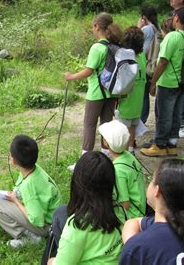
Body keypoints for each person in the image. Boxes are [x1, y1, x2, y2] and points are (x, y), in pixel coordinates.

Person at [120, 159, 184, 264]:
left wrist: (134, 247)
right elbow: (133, 222)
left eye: (151, 181)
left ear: (157, 191)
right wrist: (132, 243)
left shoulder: (139, 247)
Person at [0, 135, 61, 249]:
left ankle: (28, 237)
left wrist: (17, 202)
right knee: (4, 203)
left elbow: (37, 220)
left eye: (10, 154)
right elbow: (17, 190)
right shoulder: (33, 169)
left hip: (47, 226)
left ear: (14, 160)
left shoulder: (29, 185)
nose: (9, 156)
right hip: (53, 219)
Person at [64, 12, 122, 168]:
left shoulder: (97, 47)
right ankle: (106, 156)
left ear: (97, 26)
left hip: (96, 93)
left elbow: (89, 71)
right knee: (106, 124)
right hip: (111, 93)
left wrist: (71, 77)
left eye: (93, 26)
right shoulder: (114, 46)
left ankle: (85, 161)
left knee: (89, 125)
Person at [47, 152, 124, 265]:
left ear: (77, 183)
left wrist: (52, 261)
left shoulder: (77, 226)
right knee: (61, 212)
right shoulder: (119, 209)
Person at [140, 7, 184, 157]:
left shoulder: (172, 37)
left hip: (168, 82)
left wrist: (153, 83)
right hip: (180, 83)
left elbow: (163, 62)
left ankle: (159, 144)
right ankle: (172, 143)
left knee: (163, 114)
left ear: (176, 18)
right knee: (176, 114)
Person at [98, 120, 146, 219]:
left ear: (106, 142)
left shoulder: (118, 170)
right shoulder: (129, 156)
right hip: (141, 207)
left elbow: (125, 204)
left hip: (133, 215)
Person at [116, 26, 146, 153]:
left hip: (127, 99)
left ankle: (123, 152)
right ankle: (131, 149)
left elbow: (123, 80)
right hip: (138, 99)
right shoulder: (142, 56)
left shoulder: (127, 58)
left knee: (123, 128)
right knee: (133, 125)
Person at [137, 6, 159, 124]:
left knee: (142, 95)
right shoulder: (156, 29)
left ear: (143, 17)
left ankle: (141, 120)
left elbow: (134, 44)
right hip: (153, 66)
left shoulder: (146, 29)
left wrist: (137, 27)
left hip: (145, 66)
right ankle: (142, 120)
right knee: (145, 95)